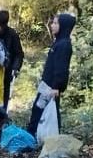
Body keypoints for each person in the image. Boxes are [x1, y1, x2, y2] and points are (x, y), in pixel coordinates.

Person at [27, 12, 77, 142]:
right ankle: (35, 136)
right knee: (38, 110)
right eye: (53, 23)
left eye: (56, 23)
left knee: (49, 112)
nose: (52, 26)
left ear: (64, 26)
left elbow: (61, 68)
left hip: (51, 86)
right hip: (46, 84)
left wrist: (57, 86)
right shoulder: (59, 42)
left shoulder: (64, 45)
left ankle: (44, 138)